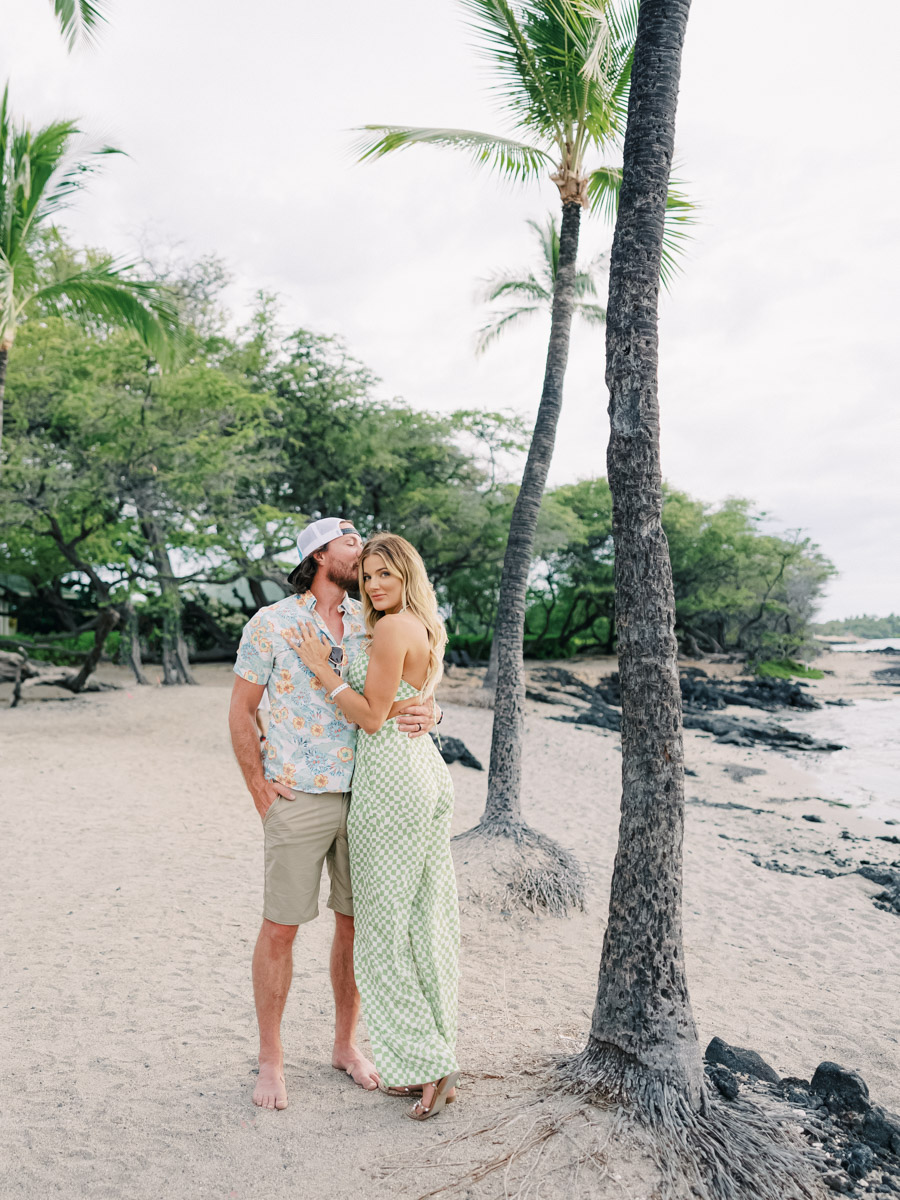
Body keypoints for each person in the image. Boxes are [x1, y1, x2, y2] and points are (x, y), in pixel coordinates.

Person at [228, 518, 440, 1111]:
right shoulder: (271, 624)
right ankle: (270, 1060)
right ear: (320, 554)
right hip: (297, 797)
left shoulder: (371, 620)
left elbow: (401, 687)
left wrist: (432, 714)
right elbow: (241, 711)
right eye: (353, 545)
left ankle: (345, 1046)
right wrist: (257, 788)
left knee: (353, 927)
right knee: (281, 928)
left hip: (370, 795)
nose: (366, 556)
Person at [288, 532, 460, 1121]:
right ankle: (433, 1060)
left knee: (382, 934)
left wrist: (320, 669)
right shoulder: (418, 625)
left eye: (385, 574)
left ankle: (431, 1062)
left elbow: (370, 718)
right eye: (367, 576)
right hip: (420, 772)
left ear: (407, 575)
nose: (375, 584)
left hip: (391, 782)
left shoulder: (390, 628)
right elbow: (413, 697)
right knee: (420, 922)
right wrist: (430, 708)